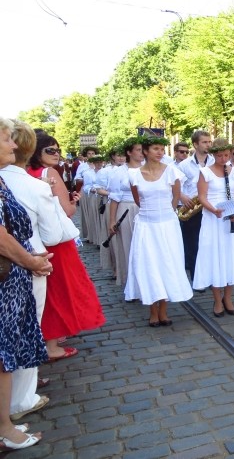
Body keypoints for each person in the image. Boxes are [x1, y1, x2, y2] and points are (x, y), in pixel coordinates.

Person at [0, 122, 61, 423]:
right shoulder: (34, 184)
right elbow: (53, 232)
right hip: (22, 262)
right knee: (22, 329)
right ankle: (21, 398)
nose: (11, 145)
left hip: (20, 259)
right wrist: (33, 260)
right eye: (5, 140)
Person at [27, 132, 105, 362]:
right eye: (50, 150)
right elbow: (68, 211)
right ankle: (52, 343)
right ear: (36, 151)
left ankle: (47, 335)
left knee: (43, 290)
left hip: (34, 240)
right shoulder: (48, 173)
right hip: (57, 243)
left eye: (57, 149)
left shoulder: (23, 173)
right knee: (62, 289)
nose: (56, 154)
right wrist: (74, 201)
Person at [124, 137, 192, 326]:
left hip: (167, 224)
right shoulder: (134, 174)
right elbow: (138, 200)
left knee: (167, 263)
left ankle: (164, 309)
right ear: (145, 151)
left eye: (162, 149)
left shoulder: (171, 171)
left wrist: (166, 213)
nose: (160, 152)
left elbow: (175, 196)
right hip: (146, 225)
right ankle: (153, 310)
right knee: (148, 265)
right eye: (155, 148)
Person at [193, 140, 234, 317]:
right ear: (213, 154)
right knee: (214, 257)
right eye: (219, 155)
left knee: (229, 256)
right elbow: (202, 197)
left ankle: (228, 297)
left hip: (231, 218)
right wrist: (214, 210)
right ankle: (217, 299)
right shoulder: (205, 172)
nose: (223, 158)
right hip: (213, 219)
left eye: (226, 155)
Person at [107, 138, 144, 286]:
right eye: (138, 150)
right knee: (128, 246)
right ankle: (131, 283)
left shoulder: (148, 168)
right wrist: (112, 220)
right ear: (129, 152)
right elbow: (114, 198)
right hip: (127, 209)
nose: (142, 153)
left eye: (143, 150)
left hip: (146, 208)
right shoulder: (119, 172)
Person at [178, 130, 214, 278]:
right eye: (204, 142)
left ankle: (209, 275)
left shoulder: (214, 162)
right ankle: (196, 275)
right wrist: (184, 198)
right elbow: (175, 186)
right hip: (192, 207)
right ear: (195, 144)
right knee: (192, 244)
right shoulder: (184, 165)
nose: (208, 144)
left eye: (209, 141)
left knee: (209, 243)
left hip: (210, 207)